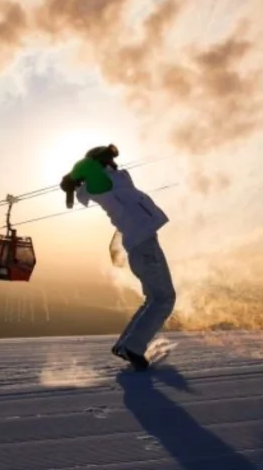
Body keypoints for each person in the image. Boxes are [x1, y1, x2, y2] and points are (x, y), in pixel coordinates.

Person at [61, 144, 174, 372]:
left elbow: (94, 169)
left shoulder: (111, 180)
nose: (116, 164)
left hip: (143, 243)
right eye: (110, 160)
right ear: (101, 163)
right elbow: (86, 166)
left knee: (155, 298)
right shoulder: (102, 182)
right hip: (143, 244)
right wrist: (73, 176)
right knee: (164, 298)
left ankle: (126, 345)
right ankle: (132, 346)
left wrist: (78, 176)